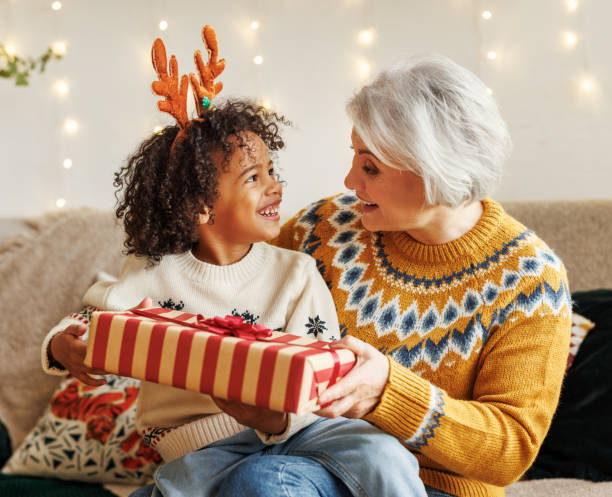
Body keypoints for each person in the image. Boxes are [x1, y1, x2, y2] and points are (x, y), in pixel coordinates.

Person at [41, 28, 428, 497]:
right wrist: (64, 345)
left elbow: (324, 370)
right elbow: (92, 322)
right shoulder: (154, 270)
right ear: (201, 206)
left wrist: (278, 416)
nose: (275, 186)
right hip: (204, 450)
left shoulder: (295, 271)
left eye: (272, 171)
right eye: (253, 177)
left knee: (384, 453)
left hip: (304, 432)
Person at [208, 54, 571, 497]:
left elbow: (511, 448)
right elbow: (225, 293)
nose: (349, 179)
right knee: (256, 482)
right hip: (309, 463)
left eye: (370, 167)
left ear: (436, 168)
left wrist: (390, 394)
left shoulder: (530, 280)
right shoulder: (321, 228)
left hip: (438, 488)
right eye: (355, 158)